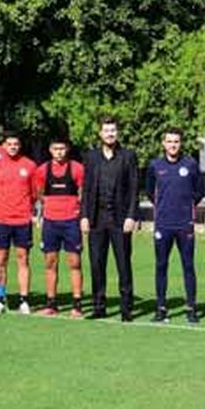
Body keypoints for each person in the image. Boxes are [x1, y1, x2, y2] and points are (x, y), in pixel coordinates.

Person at [80, 118, 139, 321]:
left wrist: (131, 215)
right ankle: (99, 306)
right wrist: (84, 215)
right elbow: (86, 189)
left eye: (113, 130)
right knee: (97, 263)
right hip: (97, 218)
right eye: (106, 130)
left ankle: (126, 307)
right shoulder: (91, 157)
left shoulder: (128, 156)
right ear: (100, 133)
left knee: (123, 263)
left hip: (120, 219)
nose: (110, 134)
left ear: (118, 133)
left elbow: (133, 188)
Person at [147, 127, 205, 324]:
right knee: (161, 265)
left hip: (185, 224)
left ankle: (191, 308)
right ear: (163, 144)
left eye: (176, 141)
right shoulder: (155, 165)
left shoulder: (190, 164)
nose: (173, 145)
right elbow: (149, 191)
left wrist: (186, 206)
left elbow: (199, 191)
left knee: (188, 266)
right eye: (169, 141)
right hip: (163, 224)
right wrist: (163, 207)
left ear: (181, 144)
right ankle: (161, 308)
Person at [33, 137, 85, 317]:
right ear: (50, 150)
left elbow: (82, 193)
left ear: (67, 149)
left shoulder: (77, 168)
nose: (59, 152)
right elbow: (39, 194)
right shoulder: (42, 170)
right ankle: (51, 304)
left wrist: (77, 212)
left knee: (75, 263)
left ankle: (77, 304)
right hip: (51, 222)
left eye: (62, 149)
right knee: (50, 262)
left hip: (71, 221)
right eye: (56, 149)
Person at [0, 130, 38, 314]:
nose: (13, 148)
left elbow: (34, 194)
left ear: (20, 146)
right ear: (4, 146)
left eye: (16, 145)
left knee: (23, 259)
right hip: (1, 219)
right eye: (9, 144)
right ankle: (0, 299)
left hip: (22, 220)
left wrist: (28, 211)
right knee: (0, 260)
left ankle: (23, 300)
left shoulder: (29, 165)